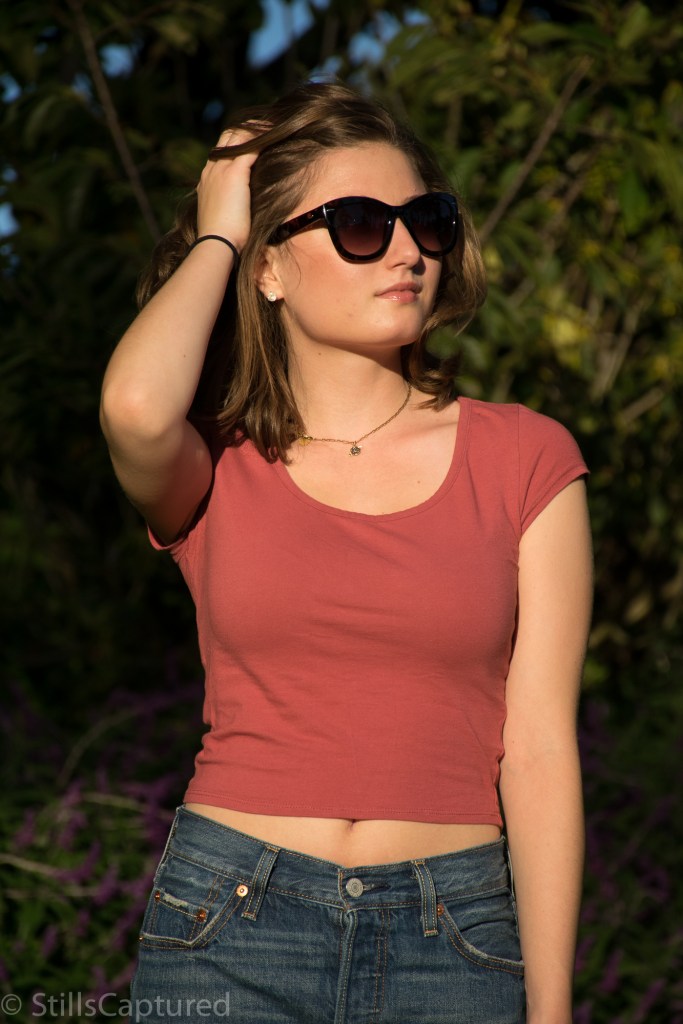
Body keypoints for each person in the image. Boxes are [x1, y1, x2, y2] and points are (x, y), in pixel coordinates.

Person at [100, 81, 592, 1024]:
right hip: (227, 924)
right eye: (360, 223)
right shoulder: (215, 464)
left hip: (456, 934)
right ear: (271, 268)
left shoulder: (528, 458)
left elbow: (535, 751)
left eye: (426, 221)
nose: (407, 250)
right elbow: (131, 407)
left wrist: (553, 1005)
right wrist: (219, 235)